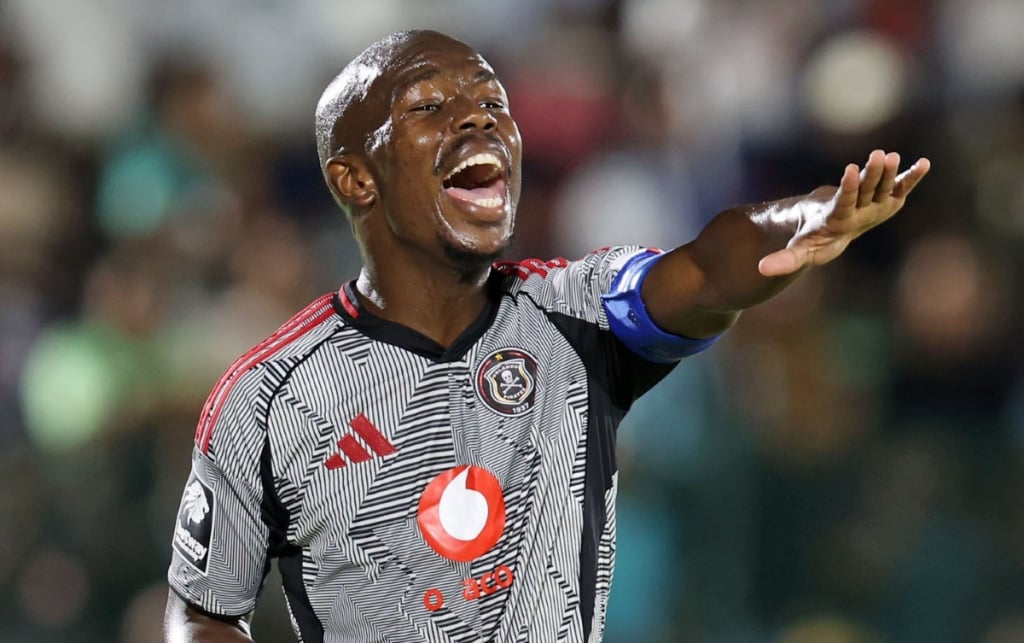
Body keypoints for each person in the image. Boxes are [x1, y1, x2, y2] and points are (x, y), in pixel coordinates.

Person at [163, 29, 930, 643]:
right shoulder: (269, 397)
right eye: (430, 106)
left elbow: (704, 269)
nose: (478, 117)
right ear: (355, 178)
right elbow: (203, 611)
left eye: (493, 101)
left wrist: (803, 218)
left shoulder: (578, 311)